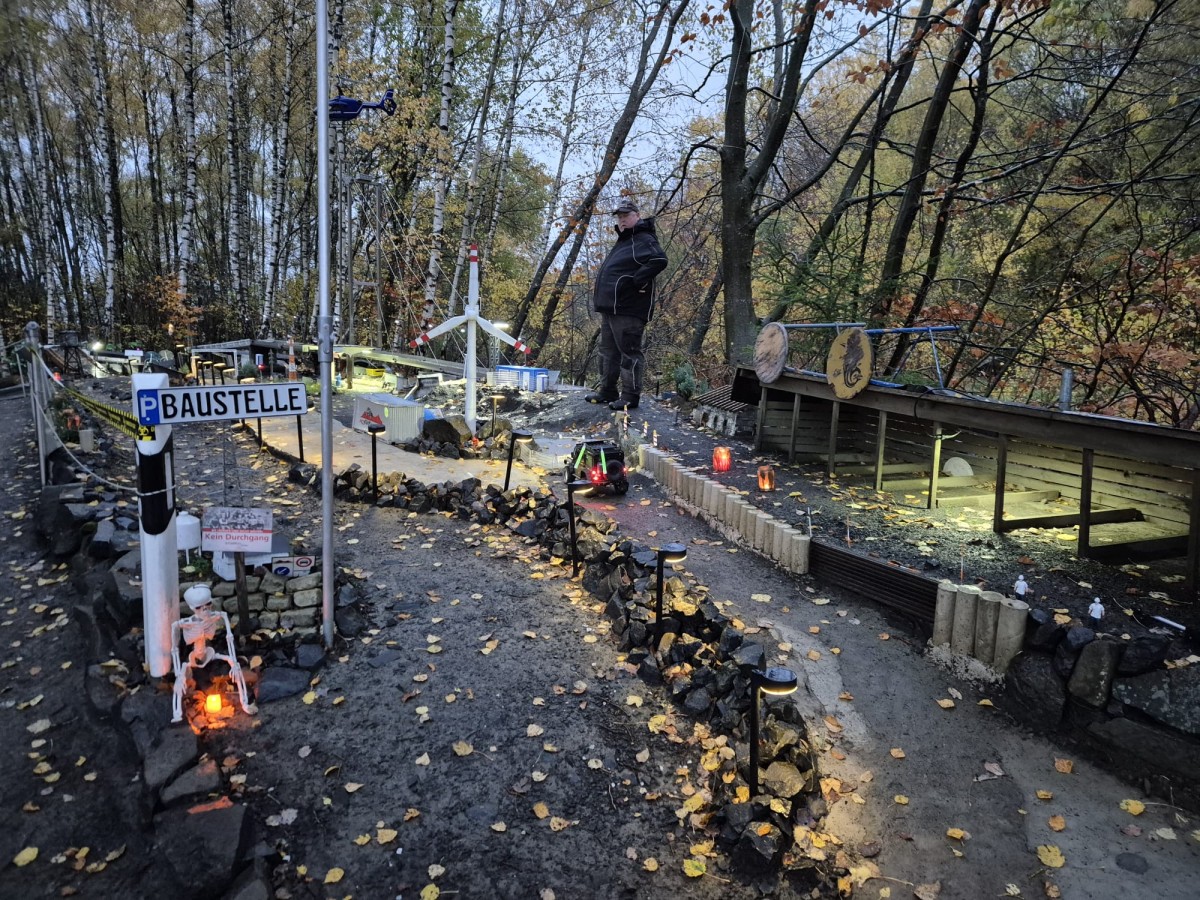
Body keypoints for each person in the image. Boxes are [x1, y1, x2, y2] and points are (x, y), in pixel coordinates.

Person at [586, 199, 668, 411]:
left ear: (637, 216)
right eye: (620, 217)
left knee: (629, 352)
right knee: (607, 351)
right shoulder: (626, 240)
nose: (622, 220)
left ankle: (630, 396)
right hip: (612, 307)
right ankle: (607, 390)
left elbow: (659, 260)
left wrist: (636, 281)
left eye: (626, 216)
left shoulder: (643, 238)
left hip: (628, 308)